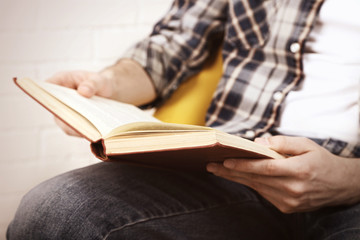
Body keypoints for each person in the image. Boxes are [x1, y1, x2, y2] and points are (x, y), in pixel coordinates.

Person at [7, 0, 360, 239]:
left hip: (351, 179)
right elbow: (172, 45)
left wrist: (350, 179)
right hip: (235, 160)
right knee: (56, 212)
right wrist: (104, 85)